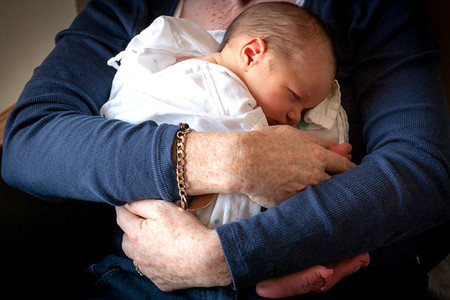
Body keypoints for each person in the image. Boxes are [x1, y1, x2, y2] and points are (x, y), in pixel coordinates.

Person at [1, 0, 449, 299]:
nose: (294, 115)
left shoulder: (363, 9)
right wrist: (232, 160)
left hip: (326, 277)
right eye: (293, 99)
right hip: (145, 277)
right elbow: (30, 139)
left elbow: (422, 170)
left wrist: (226, 255)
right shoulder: (128, 10)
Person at [100, 4, 368, 294]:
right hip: (175, 225)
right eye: (293, 97)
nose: (295, 117)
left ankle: (267, 278)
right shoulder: (226, 90)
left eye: (304, 111)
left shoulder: (182, 67)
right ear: (251, 54)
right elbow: (272, 159)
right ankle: (274, 279)